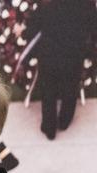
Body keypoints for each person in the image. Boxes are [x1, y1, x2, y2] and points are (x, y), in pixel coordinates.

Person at [32, 0, 97, 140]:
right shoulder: (86, 3)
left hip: (49, 51)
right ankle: (64, 120)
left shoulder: (46, 2)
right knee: (70, 87)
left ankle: (49, 127)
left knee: (48, 89)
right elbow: (93, 26)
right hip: (74, 51)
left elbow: (36, 23)